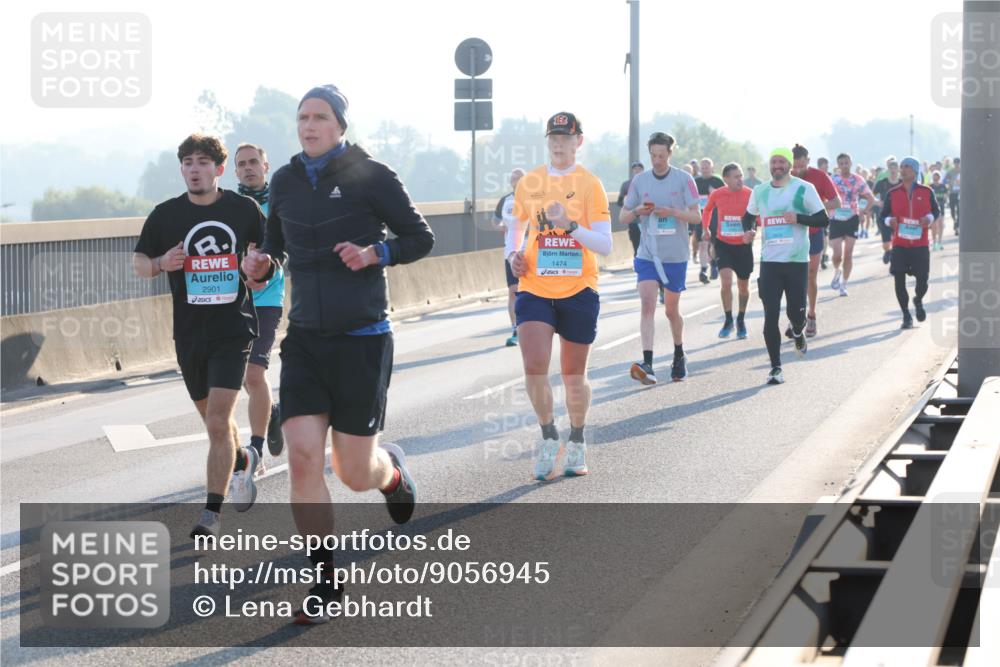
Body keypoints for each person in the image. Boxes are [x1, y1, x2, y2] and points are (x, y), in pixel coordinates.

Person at [242, 84, 435, 624]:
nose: (308, 126)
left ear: (340, 125)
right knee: (303, 457)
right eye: (302, 117)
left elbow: (421, 238)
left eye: (319, 117)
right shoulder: (281, 180)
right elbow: (275, 247)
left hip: (362, 339)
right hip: (304, 340)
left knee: (353, 472)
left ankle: (390, 474)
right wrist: (262, 265)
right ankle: (325, 581)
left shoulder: (372, 175)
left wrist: (378, 252)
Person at [133, 134, 263, 538]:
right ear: (182, 169)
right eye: (188, 161)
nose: (194, 168)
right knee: (214, 424)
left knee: (218, 422)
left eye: (203, 162)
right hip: (189, 335)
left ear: (219, 169)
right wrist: (160, 262)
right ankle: (241, 459)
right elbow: (138, 262)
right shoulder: (165, 215)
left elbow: (270, 258)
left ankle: (211, 514)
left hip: (233, 329)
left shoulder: (244, 210)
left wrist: (256, 268)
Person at [506, 111, 612, 480]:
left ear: (578, 141)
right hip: (535, 286)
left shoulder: (590, 184)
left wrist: (569, 225)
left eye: (566, 138)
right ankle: (549, 435)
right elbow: (514, 228)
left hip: (579, 287)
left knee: (572, 374)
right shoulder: (530, 182)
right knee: (534, 366)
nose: (559, 144)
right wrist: (513, 255)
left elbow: (605, 244)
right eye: (553, 137)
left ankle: (578, 440)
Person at [744, 147, 830, 384]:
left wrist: (799, 218)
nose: (778, 166)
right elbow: (748, 215)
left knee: (796, 313)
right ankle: (775, 367)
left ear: (789, 165)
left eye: (782, 162)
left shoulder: (803, 188)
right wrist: (748, 230)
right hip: (770, 263)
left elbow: (823, 219)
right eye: (774, 162)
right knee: (770, 315)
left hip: (796, 262)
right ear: (769, 166)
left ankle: (799, 330)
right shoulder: (760, 191)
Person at [620, 132, 700, 384]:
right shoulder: (639, 181)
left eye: (661, 156)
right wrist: (636, 211)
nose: (657, 161)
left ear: (670, 154)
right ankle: (648, 363)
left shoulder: (684, 179)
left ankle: (679, 353)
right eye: (653, 156)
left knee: (671, 310)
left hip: (674, 255)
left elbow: (697, 217)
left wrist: (673, 212)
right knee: (647, 304)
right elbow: (623, 217)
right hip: (648, 254)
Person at [233, 143, 285, 475]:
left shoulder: (279, 204)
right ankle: (273, 412)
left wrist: (267, 277)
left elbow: (286, 249)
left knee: (254, 374)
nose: (249, 168)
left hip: (267, 300)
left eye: (254, 162)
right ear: (234, 170)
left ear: (266, 166)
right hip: (233, 301)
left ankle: (256, 450)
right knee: (240, 378)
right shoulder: (228, 207)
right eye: (242, 164)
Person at [880, 156, 939, 329]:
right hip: (900, 244)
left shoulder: (927, 192)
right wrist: (888, 221)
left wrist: (928, 218)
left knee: (923, 281)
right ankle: (906, 315)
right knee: (898, 279)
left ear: (914, 171)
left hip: (920, 245)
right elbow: (882, 215)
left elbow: (936, 211)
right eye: (902, 166)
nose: (903, 169)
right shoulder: (892, 193)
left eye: (907, 166)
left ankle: (918, 299)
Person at [790, 144, 840, 337]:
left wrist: (817, 206)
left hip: (813, 232)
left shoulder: (819, 176)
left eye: (802, 166)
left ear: (808, 161)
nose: (799, 170)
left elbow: (837, 202)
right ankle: (796, 317)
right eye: (796, 167)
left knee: (810, 276)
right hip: (792, 233)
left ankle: (811, 314)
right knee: (794, 279)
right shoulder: (786, 176)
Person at [702, 163, 754, 339]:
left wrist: (753, 231)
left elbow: (758, 216)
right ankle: (728, 319)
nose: (740, 179)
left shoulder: (749, 194)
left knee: (743, 287)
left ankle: (740, 318)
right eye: (736, 176)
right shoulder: (718, 194)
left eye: (741, 176)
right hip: (723, 244)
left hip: (743, 245)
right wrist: (706, 229)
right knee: (725, 281)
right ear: (726, 179)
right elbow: (707, 210)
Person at [829, 153, 876, 296]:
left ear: (851, 163)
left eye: (846, 163)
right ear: (838, 165)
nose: (844, 166)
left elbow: (870, 198)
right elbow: (823, 195)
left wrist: (864, 212)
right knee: (837, 255)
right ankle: (837, 271)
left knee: (848, 254)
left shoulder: (858, 179)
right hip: (836, 218)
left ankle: (844, 284)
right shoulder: (833, 179)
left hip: (851, 218)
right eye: (841, 163)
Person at [492, 168, 527, 346]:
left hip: (531, 251)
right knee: (514, 291)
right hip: (511, 252)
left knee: (531, 291)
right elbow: (496, 220)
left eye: (519, 178)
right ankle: (516, 328)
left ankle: (534, 327)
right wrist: (502, 226)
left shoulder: (533, 198)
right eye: (513, 178)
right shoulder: (505, 200)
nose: (516, 180)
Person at [695, 158, 725, 283]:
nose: (704, 170)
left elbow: (725, 198)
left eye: (707, 167)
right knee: (702, 243)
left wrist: (714, 194)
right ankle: (703, 269)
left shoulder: (717, 181)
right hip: (700, 216)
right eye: (702, 168)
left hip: (714, 216)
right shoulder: (695, 182)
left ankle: (713, 264)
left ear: (712, 168)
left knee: (713, 243)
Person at [873, 159, 902, 264]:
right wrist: (877, 202)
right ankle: (888, 251)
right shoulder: (882, 183)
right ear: (888, 170)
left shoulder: (903, 183)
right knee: (886, 243)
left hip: (899, 216)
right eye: (891, 168)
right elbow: (870, 195)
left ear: (898, 170)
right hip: (884, 216)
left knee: (897, 239)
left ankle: (895, 256)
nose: (893, 170)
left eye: (895, 168)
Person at [617, 161, 645, 257]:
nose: (637, 170)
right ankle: (637, 259)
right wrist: (627, 207)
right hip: (632, 219)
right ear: (633, 170)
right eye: (635, 169)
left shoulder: (649, 183)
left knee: (646, 241)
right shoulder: (626, 184)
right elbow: (619, 201)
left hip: (645, 219)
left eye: (639, 168)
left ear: (643, 170)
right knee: (635, 240)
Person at [929, 171, 948, 250]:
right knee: (934, 226)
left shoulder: (943, 186)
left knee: (940, 225)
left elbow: (945, 197)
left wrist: (943, 200)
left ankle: (939, 242)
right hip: (932, 208)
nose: (936, 179)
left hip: (941, 207)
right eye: (934, 177)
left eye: (937, 177)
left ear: (939, 178)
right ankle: (934, 242)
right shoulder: (930, 187)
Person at [945, 157, 960, 234]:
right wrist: (949, 184)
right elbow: (945, 180)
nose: (957, 164)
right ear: (954, 163)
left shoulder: (962, 171)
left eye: (958, 162)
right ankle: (955, 221)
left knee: (959, 210)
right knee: (952, 211)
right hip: (952, 193)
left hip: (960, 193)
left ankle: (957, 225)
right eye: (955, 162)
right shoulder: (950, 171)